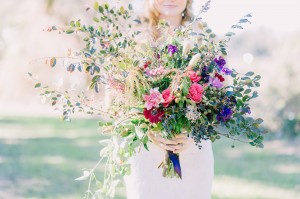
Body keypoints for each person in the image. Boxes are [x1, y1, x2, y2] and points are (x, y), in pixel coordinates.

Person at [124, 0, 214, 198]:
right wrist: (148, 131)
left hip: (193, 151)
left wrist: (191, 133)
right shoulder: (134, 38)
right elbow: (115, 102)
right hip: (147, 153)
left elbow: (220, 97)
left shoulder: (204, 38)